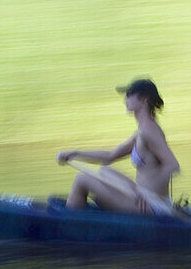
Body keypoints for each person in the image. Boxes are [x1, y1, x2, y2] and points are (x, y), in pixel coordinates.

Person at [56, 79, 180, 214]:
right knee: (106, 170)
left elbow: (172, 165)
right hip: (146, 199)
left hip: (154, 206)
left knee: (81, 179)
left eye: (129, 95)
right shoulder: (141, 132)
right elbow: (110, 156)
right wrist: (74, 154)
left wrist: (146, 194)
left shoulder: (148, 131)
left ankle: (69, 226)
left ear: (144, 99)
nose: (125, 99)